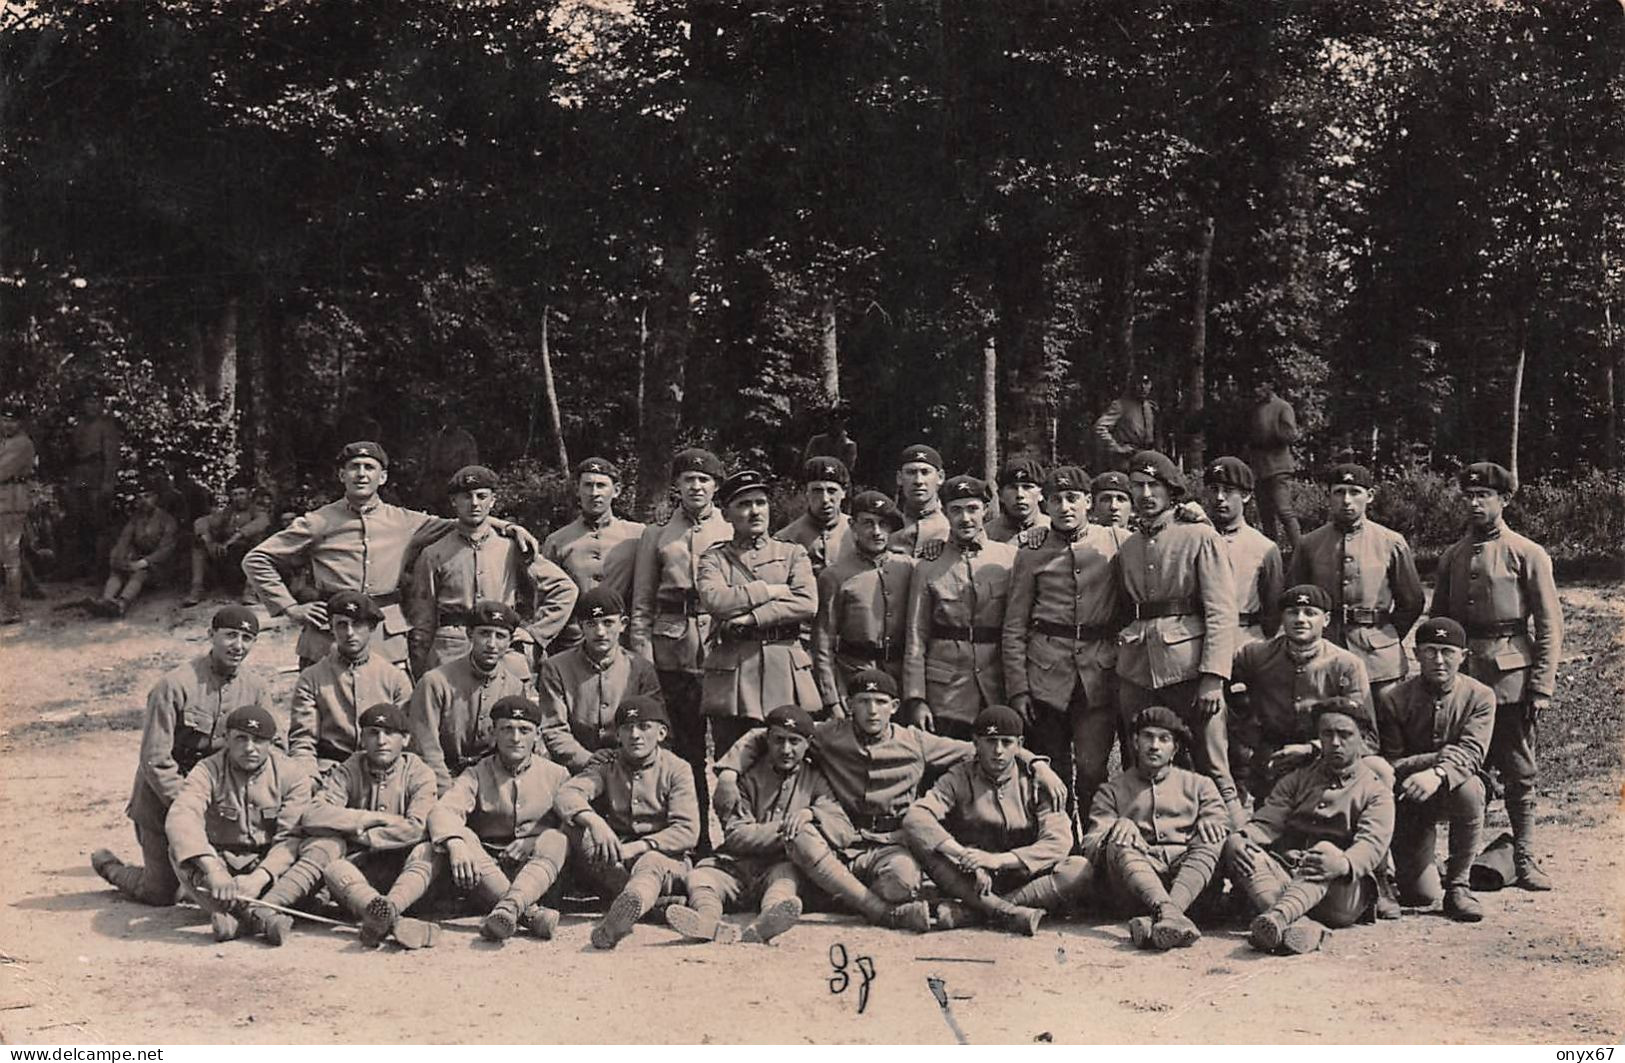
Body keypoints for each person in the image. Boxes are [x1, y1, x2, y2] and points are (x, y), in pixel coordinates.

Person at [715, 669, 1067, 932]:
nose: (871, 711)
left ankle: (842, 894)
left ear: (894, 707)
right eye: (863, 702)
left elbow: (986, 748)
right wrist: (728, 772)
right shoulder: (827, 735)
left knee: (901, 883)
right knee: (800, 835)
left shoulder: (916, 741)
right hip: (840, 838)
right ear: (849, 706)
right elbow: (766, 734)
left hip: (891, 842)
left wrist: (1036, 763)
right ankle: (877, 911)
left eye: (880, 703)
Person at [243, 441, 539, 671]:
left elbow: (462, 521)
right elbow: (257, 560)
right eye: (354, 466)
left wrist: (509, 526)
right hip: (329, 632)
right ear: (341, 475)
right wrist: (290, 607)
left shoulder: (403, 521)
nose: (361, 474)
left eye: (369, 467)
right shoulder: (318, 521)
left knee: (388, 716)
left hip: (385, 633)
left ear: (382, 476)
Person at [1430, 461, 1563, 891]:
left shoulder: (1526, 553)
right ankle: (1462, 865)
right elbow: (1440, 623)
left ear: (1504, 500)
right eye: (1468, 496)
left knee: (1519, 771)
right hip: (1464, 681)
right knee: (1462, 769)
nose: (1474, 503)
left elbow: (1549, 624)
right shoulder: (1452, 555)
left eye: (1484, 496)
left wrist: (1541, 685)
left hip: (1510, 679)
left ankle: (1524, 857)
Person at [91, 606, 276, 905]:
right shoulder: (174, 686)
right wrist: (189, 806)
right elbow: (155, 759)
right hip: (163, 801)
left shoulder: (256, 689)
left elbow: (266, 752)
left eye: (247, 638)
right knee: (162, 893)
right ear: (211, 635)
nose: (238, 646)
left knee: (220, 885)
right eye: (230, 635)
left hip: (220, 803)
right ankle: (111, 868)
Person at [1115, 450, 1243, 825]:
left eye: (1154, 485)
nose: (1145, 494)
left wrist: (1213, 678)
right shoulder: (1128, 546)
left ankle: (1242, 855)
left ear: (1171, 491)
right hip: (1137, 670)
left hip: (1188, 671)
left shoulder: (1200, 536)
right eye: (1137, 486)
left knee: (1212, 767)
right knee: (1141, 767)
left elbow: (1221, 611)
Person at [247, 703, 439, 947]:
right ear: (362, 739)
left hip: (404, 875)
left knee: (429, 852)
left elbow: (415, 828)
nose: (381, 741)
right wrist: (368, 819)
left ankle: (389, 910)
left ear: (406, 739)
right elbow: (313, 815)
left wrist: (358, 835)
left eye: (389, 733)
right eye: (372, 733)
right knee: (330, 857)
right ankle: (266, 908)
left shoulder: (419, 773)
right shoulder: (350, 769)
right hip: (358, 877)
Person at [665, 705, 850, 945]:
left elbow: (843, 829)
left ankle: (766, 923)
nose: (786, 749)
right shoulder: (743, 779)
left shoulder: (816, 779)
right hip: (738, 867)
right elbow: (737, 834)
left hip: (780, 866)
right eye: (778, 741)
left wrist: (810, 814)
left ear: (808, 743)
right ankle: (706, 921)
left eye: (794, 742)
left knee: (785, 881)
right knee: (700, 877)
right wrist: (790, 831)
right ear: (767, 740)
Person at [1224, 698, 1396, 954]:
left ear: (1363, 739)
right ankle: (1300, 926)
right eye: (1327, 734)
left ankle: (1279, 917)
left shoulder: (1375, 791)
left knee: (1325, 850)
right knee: (1241, 849)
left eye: (1345, 734)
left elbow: (1371, 845)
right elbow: (1268, 820)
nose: (1335, 742)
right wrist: (1243, 837)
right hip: (1289, 876)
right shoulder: (1298, 779)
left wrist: (1344, 863)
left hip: (1341, 891)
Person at [902, 706, 1091, 936]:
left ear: (1019, 744)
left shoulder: (1037, 782)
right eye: (990, 741)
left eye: (1006, 742)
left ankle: (977, 911)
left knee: (1079, 870)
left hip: (1025, 876)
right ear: (975, 742)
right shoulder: (959, 776)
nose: (998, 751)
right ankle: (1002, 911)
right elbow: (917, 816)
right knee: (921, 841)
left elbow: (1058, 842)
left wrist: (998, 860)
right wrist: (965, 855)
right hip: (972, 876)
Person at [1002, 464, 1122, 813]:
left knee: (1091, 769)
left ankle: (1092, 846)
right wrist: (1018, 689)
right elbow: (1014, 626)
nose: (1065, 507)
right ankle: (1058, 845)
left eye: (1073, 499)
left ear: (1088, 502)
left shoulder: (1115, 542)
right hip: (1045, 675)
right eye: (1056, 500)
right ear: (1045, 504)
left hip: (1097, 674)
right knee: (1051, 770)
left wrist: (1192, 514)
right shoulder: (1031, 552)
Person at [628, 446, 732, 851]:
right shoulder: (656, 535)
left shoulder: (729, 531)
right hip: (671, 651)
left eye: (704, 480)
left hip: (720, 649)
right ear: (676, 486)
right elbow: (642, 602)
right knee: (685, 751)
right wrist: (644, 658)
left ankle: (732, 843)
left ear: (716, 486)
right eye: (688, 479)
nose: (696, 486)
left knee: (725, 752)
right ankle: (695, 838)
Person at [418, 696, 574, 942]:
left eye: (524, 730)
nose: (515, 738)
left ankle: (511, 908)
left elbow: (572, 822)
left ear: (538, 734)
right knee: (463, 835)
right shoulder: (477, 773)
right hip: (488, 873)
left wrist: (533, 840)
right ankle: (529, 914)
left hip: (538, 873)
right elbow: (444, 810)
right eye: (506, 729)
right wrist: (456, 844)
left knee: (557, 838)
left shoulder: (557, 775)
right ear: (493, 733)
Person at [555, 696, 700, 949]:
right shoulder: (608, 765)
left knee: (649, 862)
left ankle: (623, 915)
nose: (635, 735)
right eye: (627, 728)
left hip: (664, 858)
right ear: (618, 734)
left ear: (661, 732)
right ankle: (649, 907)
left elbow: (687, 830)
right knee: (573, 827)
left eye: (644, 727)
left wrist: (642, 846)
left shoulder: (677, 768)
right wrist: (595, 823)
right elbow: (567, 795)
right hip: (617, 858)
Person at [407, 464, 577, 676]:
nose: (474, 503)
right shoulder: (434, 554)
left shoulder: (513, 547)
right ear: (454, 502)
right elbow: (423, 620)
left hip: (501, 647)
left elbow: (565, 589)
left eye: (482, 496)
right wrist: (421, 670)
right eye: (467, 497)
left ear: (493, 501)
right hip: (452, 649)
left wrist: (534, 633)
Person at [1377, 618, 1495, 921]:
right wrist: (1433, 760)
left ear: (1463, 655)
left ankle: (1459, 884)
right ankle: (1427, 867)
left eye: (1447, 651)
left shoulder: (1480, 696)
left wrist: (1439, 773)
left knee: (1471, 788)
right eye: (1430, 651)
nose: (1439, 660)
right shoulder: (1393, 698)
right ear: (1416, 654)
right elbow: (1390, 762)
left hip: (1453, 789)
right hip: (1410, 796)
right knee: (1421, 894)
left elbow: (1472, 754)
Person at [697, 469, 821, 758]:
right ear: (726, 514)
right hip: (733, 675)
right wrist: (769, 590)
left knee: (788, 759)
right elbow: (716, 600)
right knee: (732, 761)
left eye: (760, 502)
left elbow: (806, 603)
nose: (754, 511)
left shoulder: (793, 553)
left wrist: (751, 618)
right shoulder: (714, 558)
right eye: (743, 504)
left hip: (784, 668)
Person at [1081, 707, 1228, 951]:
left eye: (1164, 739)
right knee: (1119, 839)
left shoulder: (1200, 785)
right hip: (1135, 889)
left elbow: (1220, 823)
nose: (1154, 745)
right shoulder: (1112, 790)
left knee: (1213, 835)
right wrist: (1117, 827)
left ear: (1175, 748)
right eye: (1147, 736)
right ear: (1135, 742)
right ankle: (1169, 913)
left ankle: (1162, 917)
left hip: (1189, 884)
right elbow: (1090, 846)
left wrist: (1211, 823)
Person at [164, 705, 312, 942]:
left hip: (268, 866)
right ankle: (261, 917)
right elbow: (182, 816)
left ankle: (235, 919)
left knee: (310, 851)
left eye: (259, 740)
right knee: (178, 850)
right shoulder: (208, 770)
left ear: (272, 743)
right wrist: (212, 868)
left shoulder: (292, 774)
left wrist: (260, 876)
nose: (249, 748)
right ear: (226, 739)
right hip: (220, 867)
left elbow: (292, 836)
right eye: (241, 739)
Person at [1288, 463, 1425, 702]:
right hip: (1325, 649)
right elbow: (1293, 596)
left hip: (1378, 658)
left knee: (1386, 725)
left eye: (1354, 492)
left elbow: (1412, 602)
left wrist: (1385, 637)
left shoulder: (1391, 542)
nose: (1346, 500)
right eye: (1339, 492)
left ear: (1370, 496)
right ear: (1328, 496)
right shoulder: (1309, 544)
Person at [1228, 585, 1374, 803]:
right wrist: (1246, 730)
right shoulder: (1255, 655)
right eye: (1292, 612)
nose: (1300, 619)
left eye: (1310, 613)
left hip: (1324, 760)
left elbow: (1367, 736)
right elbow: (1218, 683)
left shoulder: (1346, 664)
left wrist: (1312, 749)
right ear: (1281, 617)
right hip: (1272, 758)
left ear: (1325, 620)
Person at [901, 475, 1015, 739]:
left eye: (973, 508)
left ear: (985, 510)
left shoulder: (1009, 559)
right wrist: (916, 698)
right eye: (956, 510)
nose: (965, 518)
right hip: (946, 689)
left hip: (996, 682)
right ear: (944, 511)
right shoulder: (928, 566)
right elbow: (916, 637)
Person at [406, 600, 536, 793]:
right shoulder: (435, 682)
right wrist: (448, 790)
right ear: (469, 635)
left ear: (509, 642)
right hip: (441, 779)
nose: (491, 644)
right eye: (484, 634)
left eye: (500, 636)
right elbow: (426, 748)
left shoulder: (514, 686)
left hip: (491, 781)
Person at [536, 587, 663, 772]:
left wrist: (626, 759)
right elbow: (553, 728)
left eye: (608, 623)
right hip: (576, 769)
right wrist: (586, 759)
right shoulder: (556, 667)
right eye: (591, 624)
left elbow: (653, 724)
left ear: (623, 624)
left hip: (630, 767)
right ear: (580, 626)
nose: (600, 632)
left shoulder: (641, 669)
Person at [288, 591, 412, 778]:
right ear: (331, 628)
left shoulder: (394, 677)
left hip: (381, 773)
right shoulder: (311, 678)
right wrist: (309, 778)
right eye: (342, 625)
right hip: (330, 771)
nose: (350, 633)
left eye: (357, 624)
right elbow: (303, 742)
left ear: (372, 627)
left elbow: (407, 739)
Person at [811, 490, 914, 710]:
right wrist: (831, 699)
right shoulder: (835, 576)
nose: (876, 532)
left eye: (883, 524)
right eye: (868, 523)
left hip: (901, 679)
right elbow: (822, 642)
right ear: (853, 525)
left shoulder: (907, 567)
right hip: (854, 676)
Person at [541, 457, 645, 654]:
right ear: (578, 490)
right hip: (572, 642)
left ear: (616, 491)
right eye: (587, 485)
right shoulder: (557, 541)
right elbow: (546, 597)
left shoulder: (637, 535)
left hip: (622, 642)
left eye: (601, 485)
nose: (594, 493)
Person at [1202, 456, 1283, 646]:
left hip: (1244, 640)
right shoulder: (1195, 539)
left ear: (1246, 496)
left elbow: (1273, 613)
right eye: (1214, 490)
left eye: (1229, 491)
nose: (1220, 497)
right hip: (1199, 638)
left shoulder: (1263, 548)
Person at [94, 477, 180, 617]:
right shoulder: (136, 519)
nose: (144, 501)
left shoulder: (168, 520)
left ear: (156, 498)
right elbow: (124, 539)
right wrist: (118, 558)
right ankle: (106, 601)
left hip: (160, 567)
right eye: (140, 498)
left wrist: (142, 563)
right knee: (117, 570)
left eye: (147, 496)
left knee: (141, 572)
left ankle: (122, 604)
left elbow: (166, 550)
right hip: (137, 562)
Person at [184, 476, 270, 606]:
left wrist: (232, 539)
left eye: (242, 494)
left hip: (248, 556)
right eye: (235, 495)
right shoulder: (227, 512)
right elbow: (203, 521)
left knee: (259, 545)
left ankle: (251, 591)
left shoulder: (257, 511)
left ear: (249, 495)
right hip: (229, 557)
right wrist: (208, 541)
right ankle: (197, 588)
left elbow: (260, 523)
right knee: (198, 546)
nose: (238, 498)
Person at [63, 394, 121, 579]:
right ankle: (79, 567)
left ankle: (100, 569)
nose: (90, 405)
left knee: (99, 523)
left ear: (101, 405)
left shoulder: (106, 426)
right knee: (78, 521)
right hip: (78, 477)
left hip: (96, 476)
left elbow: (111, 457)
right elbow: (72, 455)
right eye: (87, 400)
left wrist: (107, 482)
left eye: (95, 401)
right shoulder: (79, 425)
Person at [1246, 378, 1302, 553]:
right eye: (1254, 386)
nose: (1256, 390)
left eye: (1260, 385)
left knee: (1284, 510)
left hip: (1279, 468)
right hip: (1260, 469)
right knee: (1266, 515)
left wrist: (1270, 433)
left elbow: (1291, 435)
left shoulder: (1283, 407)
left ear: (1269, 385)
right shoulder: (1255, 410)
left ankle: (1301, 553)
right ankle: (1272, 555)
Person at [773, 456, 851, 575]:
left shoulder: (859, 531)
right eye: (817, 491)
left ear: (844, 492)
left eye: (831, 491)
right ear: (806, 492)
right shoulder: (785, 539)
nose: (825, 499)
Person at [0, 403, 37, 623]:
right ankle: (31, 589)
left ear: (20, 423)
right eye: (4, 419)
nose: (7, 424)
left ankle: (13, 610)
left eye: (12, 420)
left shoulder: (22, 444)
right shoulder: (5, 442)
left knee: (10, 556)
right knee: (9, 553)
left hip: (12, 501)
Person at [887, 443, 950, 559]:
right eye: (911, 472)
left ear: (940, 477)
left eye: (925, 472)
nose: (918, 481)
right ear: (899, 478)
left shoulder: (952, 522)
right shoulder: (887, 524)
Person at [1093, 373, 1158, 473]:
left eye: (1146, 383)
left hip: (1146, 459)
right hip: (1126, 461)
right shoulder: (1120, 405)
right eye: (1139, 383)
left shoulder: (1149, 407)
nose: (1142, 387)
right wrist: (1117, 448)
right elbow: (1100, 428)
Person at [416, 415, 479, 509]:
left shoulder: (465, 439)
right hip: (437, 485)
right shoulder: (436, 438)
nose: (448, 420)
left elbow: (471, 465)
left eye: (451, 417)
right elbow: (428, 463)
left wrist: (468, 486)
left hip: (456, 483)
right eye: (445, 417)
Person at [984, 457, 1051, 544]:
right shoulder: (986, 535)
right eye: (1012, 488)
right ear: (1000, 495)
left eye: (1027, 487)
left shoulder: (1054, 530)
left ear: (1040, 494)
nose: (1020, 494)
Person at [803, 400, 859, 474]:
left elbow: (847, 469)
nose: (834, 425)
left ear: (843, 424)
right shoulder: (816, 441)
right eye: (831, 421)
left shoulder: (849, 445)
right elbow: (808, 463)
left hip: (837, 478)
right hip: (817, 476)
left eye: (838, 422)